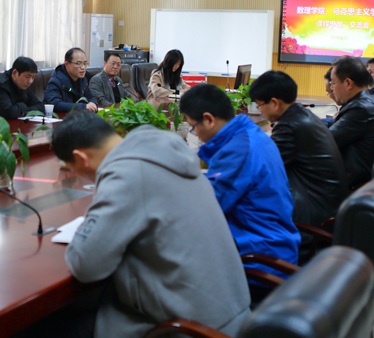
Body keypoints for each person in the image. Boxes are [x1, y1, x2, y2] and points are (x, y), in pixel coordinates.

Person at [50, 111, 251, 338]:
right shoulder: (165, 155)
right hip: (231, 314)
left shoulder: (126, 175)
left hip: (190, 329)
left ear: (81, 158)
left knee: (50, 325)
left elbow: (86, 266)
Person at [179, 84, 300, 281]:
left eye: (193, 127)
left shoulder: (238, 150)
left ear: (209, 119)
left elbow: (209, 208)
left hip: (258, 257)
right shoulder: (250, 135)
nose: (196, 134)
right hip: (271, 243)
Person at [248, 71, 349, 227]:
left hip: (313, 214)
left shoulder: (289, 126)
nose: (260, 110)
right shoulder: (302, 115)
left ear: (275, 103)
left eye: (260, 105)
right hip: (328, 204)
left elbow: (260, 168)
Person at [328, 56, 374, 188]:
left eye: (333, 83)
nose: (332, 89)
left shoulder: (360, 109)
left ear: (348, 83)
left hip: (356, 186)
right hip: (364, 178)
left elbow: (325, 141)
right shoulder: (366, 100)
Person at [44, 48, 98, 112]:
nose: (83, 67)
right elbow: (55, 104)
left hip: (77, 116)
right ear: (67, 65)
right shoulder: (56, 81)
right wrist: (83, 107)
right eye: (78, 63)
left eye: (85, 63)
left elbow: (91, 97)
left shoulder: (83, 79)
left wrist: (92, 103)